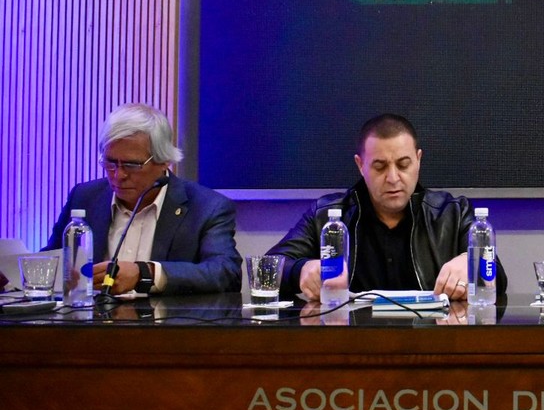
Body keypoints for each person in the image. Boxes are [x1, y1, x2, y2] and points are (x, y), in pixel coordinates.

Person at [267, 114, 507, 300]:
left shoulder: (452, 212)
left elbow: (498, 275)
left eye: (403, 165)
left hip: (433, 339)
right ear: (360, 165)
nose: (393, 178)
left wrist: (471, 264)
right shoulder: (326, 215)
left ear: (418, 160)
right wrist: (301, 270)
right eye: (380, 167)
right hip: (351, 340)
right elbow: (270, 266)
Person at [43, 104, 242, 296]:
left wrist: (145, 273)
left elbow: (226, 273)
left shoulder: (207, 207)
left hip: (165, 318)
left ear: (164, 161)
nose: (118, 175)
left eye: (131, 165)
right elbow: (52, 261)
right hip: (92, 316)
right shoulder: (85, 197)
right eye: (110, 162)